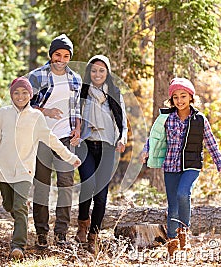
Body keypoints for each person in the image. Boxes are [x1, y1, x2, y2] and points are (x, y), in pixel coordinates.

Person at [0, 77, 81, 260]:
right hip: (5, 169)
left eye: (25, 92)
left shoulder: (36, 117)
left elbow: (51, 140)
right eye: (16, 92)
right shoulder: (4, 113)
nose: (20, 96)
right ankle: (19, 224)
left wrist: (70, 157)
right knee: (8, 205)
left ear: (30, 95)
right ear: (11, 94)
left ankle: (18, 245)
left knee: (20, 206)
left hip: (26, 170)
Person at [140, 77, 221, 256]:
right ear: (172, 100)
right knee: (172, 206)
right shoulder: (166, 118)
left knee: (183, 193)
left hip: (191, 165)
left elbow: (212, 144)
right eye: (176, 97)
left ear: (191, 97)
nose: (180, 100)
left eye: (183, 96)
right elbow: (154, 138)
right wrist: (146, 150)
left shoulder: (199, 119)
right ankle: (173, 242)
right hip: (171, 166)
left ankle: (184, 232)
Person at [27, 34, 82, 248]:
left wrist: (77, 129)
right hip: (41, 138)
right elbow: (23, 105)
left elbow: (76, 108)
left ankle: (61, 234)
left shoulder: (75, 79)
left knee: (66, 185)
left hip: (65, 139)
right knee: (42, 186)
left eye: (66, 55)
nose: (61, 59)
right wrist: (46, 111)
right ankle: (41, 233)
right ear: (51, 55)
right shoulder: (37, 76)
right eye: (57, 54)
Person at [74, 55, 128, 254]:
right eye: (94, 70)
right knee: (87, 185)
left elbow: (122, 121)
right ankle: (82, 224)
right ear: (89, 72)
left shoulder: (114, 93)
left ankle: (94, 235)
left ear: (107, 73)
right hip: (86, 145)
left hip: (107, 146)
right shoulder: (83, 92)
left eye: (102, 71)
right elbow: (74, 116)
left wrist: (122, 138)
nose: (97, 74)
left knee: (102, 196)